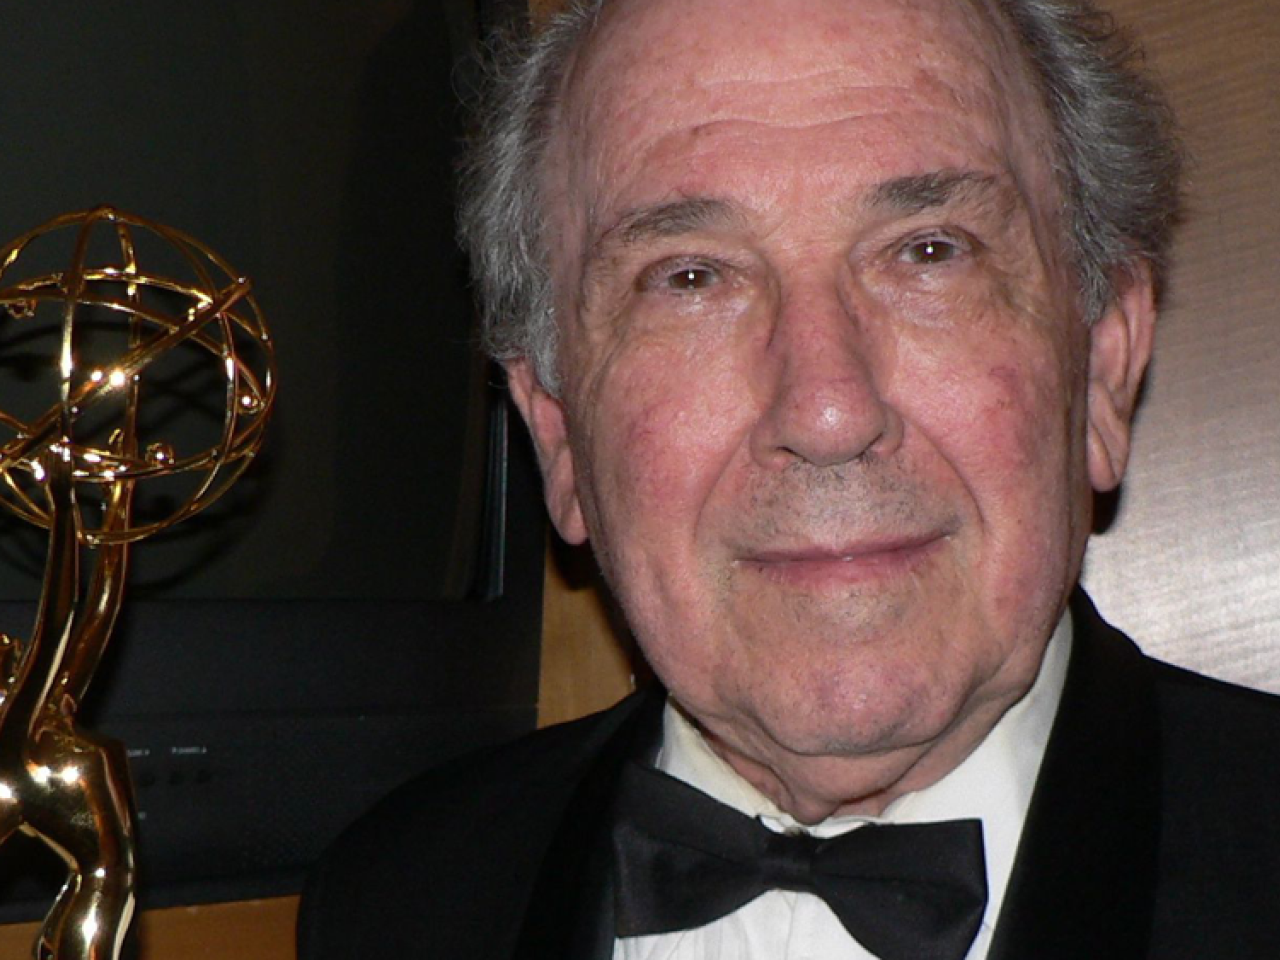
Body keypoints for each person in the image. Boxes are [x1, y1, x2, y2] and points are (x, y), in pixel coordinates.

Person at [298, 0, 1280, 957]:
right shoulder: (396, 898)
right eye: (690, 277)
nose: (825, 412)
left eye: (927, 252)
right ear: (554, 427)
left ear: (1102, 362)